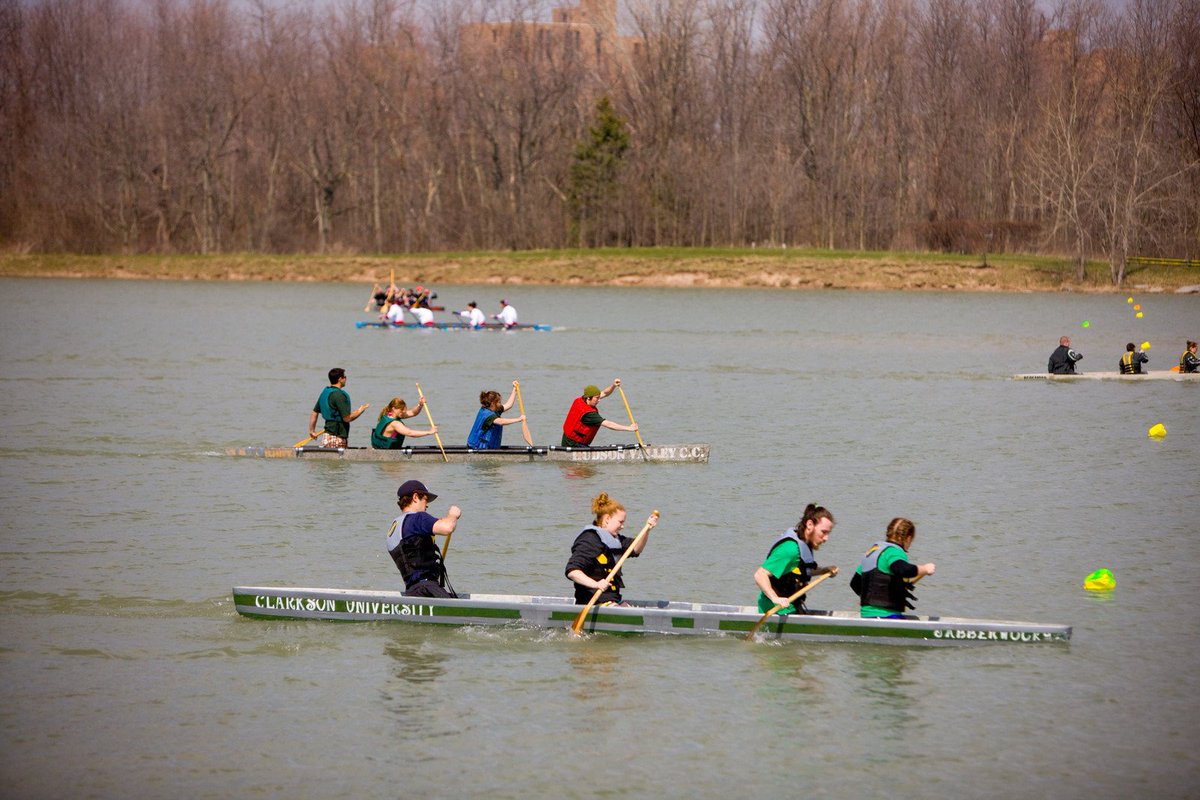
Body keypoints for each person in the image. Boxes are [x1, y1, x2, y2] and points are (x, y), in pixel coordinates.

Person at [565, 492, 658, 606]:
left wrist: (647, 529)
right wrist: (596, 584)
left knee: (629, 608)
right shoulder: (589, 540)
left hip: (613, 599)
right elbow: (572, 572)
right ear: (607, 519)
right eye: (620, 522)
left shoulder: (616, 540)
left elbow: (636, 549)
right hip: (592, 601)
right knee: (620, 610)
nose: (622, 526)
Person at [753, 504, 837, 615]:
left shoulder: (805, 544)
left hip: (791, 606)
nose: (826, 538)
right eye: (823, 532)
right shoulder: (790, 549)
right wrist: (775, 598)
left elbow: (801, 570)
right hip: (775, 610)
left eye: (828, 533)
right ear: (810, 524)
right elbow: (760, 575)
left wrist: (823, 571)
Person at [386, 479, 461, 597]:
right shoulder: (418, 518)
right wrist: (453, 515)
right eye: (425, 499)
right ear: (415, 497)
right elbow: (447, 527)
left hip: (412, 591)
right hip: (427, 589)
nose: (427, 505)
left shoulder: (395, 526)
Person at [850, 518, 935, 619]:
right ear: (908, 538)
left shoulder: (873, 552)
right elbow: (904, 570)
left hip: (866, 615)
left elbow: (855, 583)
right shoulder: (894, 552)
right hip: (886, 616)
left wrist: (877, 597)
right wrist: (925, 569)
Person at [560, 379, 639, 447]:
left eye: (599, 397)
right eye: (597, 398)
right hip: (573, 444)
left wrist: (613, 385)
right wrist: (629, 428)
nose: (599, 400)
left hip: (567, 439)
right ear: (588, 398)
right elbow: (609, 424)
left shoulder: (580, 400)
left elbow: (604, 393)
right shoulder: (589, 414)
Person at [308, 367, 369, 447]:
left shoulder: (325, 392)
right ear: (340, 379)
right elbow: (347, 418)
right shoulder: (338, 395)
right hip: (337, 437)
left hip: (327, 436)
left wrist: (312, 431)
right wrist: (360, 411)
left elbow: (314, 412)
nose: (346, 379)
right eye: (345, 377)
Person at [466, 383, 526, 449]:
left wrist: (514, 389)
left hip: (487, 447)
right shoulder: (487, 415)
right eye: (499, 402)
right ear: (492, 403)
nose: (500, 404)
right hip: (476, 447)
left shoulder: (494, 408)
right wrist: (519, 419)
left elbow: (509, 405)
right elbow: (501, 422)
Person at [371, 397, 437, 449]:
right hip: (384, 450)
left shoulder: (389, 414)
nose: (404, 411)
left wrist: (420, 404)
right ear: (394, 408)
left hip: (381, 447)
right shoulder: (395, 424)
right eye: (402, 409)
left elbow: (413, 412)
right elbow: (410, 433)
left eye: (404, 409)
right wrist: (429, 432)